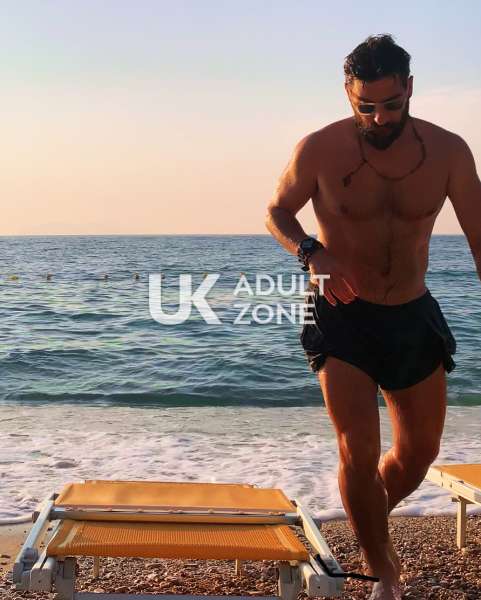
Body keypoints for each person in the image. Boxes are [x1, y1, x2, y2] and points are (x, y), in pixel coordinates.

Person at [265, 34, 481, 600]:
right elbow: (277, 211)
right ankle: (382, 569)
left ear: (409, 88)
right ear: (348, 93)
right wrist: (311, 252)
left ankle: (366, 517)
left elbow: (479, 234)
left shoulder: (449, 152)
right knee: (357, 449)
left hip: (412, 313)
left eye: (391, 104)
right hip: (341, 313)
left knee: (417, 454)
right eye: (367, 106)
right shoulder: (319, 149)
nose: (379, 117)